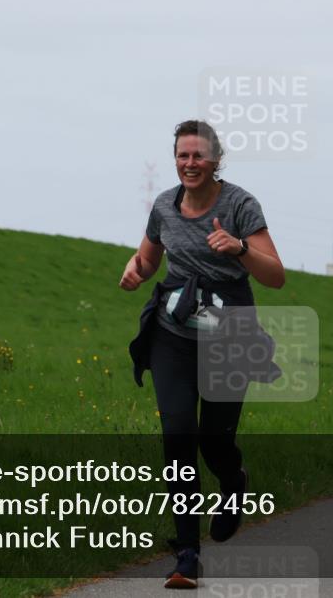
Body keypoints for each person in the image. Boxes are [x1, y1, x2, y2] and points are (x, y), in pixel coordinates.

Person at [122, 120, 285, 588]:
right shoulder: (163, 206)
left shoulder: (239, 204)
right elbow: (149, 259)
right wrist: (134, 271)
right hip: (173, 331)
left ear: (216, 160)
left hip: (228, 332)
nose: (189, 164)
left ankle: (232, 482)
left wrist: (238, 250)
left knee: (214, 439)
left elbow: (275, 276)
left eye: (198, 156)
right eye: (182, 156)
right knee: (178, 434)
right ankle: (187, 555)